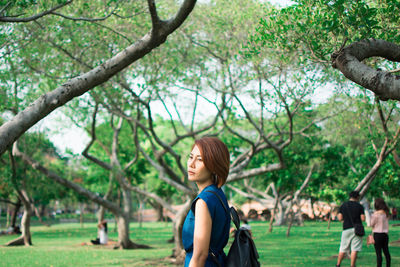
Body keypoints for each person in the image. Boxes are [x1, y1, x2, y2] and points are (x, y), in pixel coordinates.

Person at [182, 136, 231, 267]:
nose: (191, 164)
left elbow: (199, 256)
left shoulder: (204, 201)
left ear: (214, 167)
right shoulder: (218, 195)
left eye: (200, 160)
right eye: (191, 157)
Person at [336, 191, 365, 267]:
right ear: (357, 197)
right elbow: (363, 218)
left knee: (343, 248)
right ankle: (352, 265)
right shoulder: (359, 206)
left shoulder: (343, 205)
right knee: (355, 249)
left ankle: (338, 264)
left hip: (346, 228)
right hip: (357, 229)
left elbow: (340, 218)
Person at [371, 198, 391, 267]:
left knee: (378, 253)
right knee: (386, 252)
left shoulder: (375, 214)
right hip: (385, 235)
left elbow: (371, 224)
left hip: (377, 234)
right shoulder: (386, 213)